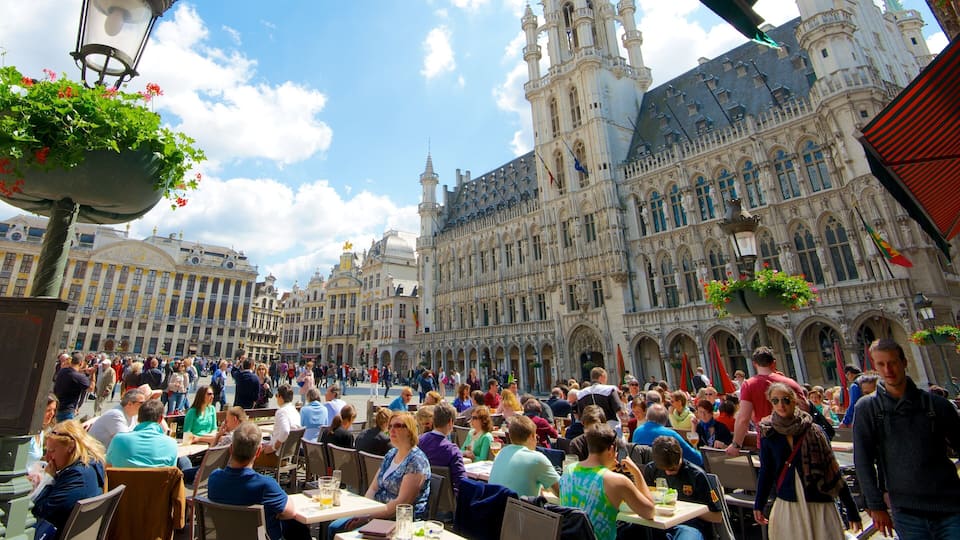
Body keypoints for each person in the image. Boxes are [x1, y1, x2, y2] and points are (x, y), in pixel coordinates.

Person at [853, 338, 960, 539]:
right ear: (875, 367)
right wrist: (876, 505)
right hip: (906, 511)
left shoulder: (936, 405)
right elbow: (863, 460)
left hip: (950, 506)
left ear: (904, 362)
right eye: (881, 364)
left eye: (892, 362)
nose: (888, 370)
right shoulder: (868, 408)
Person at [753, 382, 861, 538]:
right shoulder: (768, 432)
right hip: (788, 503)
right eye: (775, 401)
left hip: (819, 502)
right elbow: (766, 471)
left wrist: (851, 510)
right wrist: (759, 504)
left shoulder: (814, 430)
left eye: (786, 400)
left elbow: (832, 470)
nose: (781, 405)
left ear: (794, 400)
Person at [328, 412, 432, 534]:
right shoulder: (391, 454)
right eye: (390, 426)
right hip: (375, 512)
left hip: (399, 521)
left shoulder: (416, 461)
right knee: (334, 527)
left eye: (397, 426)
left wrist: (368, 517)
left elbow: (401, 503)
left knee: (349, 533)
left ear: (410, 430)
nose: (392, 430)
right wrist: (364, 512)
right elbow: (373, 488)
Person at [207, 421, 311, 540]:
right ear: (258, 452)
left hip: (226, 536)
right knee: (298, 528)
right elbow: (290, 512)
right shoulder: (265, 485)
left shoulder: (214, 478)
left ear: (231, 449)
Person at [560, 425, 655, 540]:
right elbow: (649, 512)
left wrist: (606, 470)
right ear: (611, 449)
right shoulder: (618, 481)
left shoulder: (568, 470)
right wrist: (637, 472)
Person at [726, 346, 807, 456]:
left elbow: (743, 418)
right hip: (796, 441)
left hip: (768, 440)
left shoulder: (749, 385)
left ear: (754, 364)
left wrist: (736, 445)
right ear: (774, 363)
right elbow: (805, 410)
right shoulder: (791, 383)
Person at [639, 436, 723, 540]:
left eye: (673, 469)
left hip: (689, 525)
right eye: (664, 469)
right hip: (658, 523)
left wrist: (687, 511)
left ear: (681, 454)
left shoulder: (696, 475)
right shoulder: (651, 470)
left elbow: (717, 516)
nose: (668, 473)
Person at [32, 420, 107, 534]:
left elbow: (39, 511)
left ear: (70, 447)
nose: (47, 457)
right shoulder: (92, 466)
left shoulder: (78, 476)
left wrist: (48, 478)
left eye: (52, 451)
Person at [488, 415, 560, 497]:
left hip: (494, 503)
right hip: (518, 505)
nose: (536, 441)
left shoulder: (501, 453)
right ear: (531, 436)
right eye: (536, 437)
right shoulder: (537, 459)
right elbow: (563, 492)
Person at [105, 399, 177, 468]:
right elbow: (172, 471)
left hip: (123, 477)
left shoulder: (118, 439)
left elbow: (107, 466)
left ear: (138, 418)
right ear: (161, 419)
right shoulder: (171, 443)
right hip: (157, 477)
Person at [632, 404, 703, 467]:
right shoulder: (670, 435)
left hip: (643, 472)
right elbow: (696, 459)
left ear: (647, 417)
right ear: (665, 420)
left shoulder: (637, 431)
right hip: (666, 473)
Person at [418, 402, 467, 494]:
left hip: (421, 494)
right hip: (445, 498)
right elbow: (462, 484)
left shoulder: (419, 441)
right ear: (451, 422)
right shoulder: (452, 451)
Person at [257, 384, 302, 466]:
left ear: (280, 397)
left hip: (276, 456)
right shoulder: (295, 411)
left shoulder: (281, 412)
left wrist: (273, 447)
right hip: (287, 456)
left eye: (276, 395)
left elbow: (285, 431)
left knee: (248, 456)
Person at [575, 367, 626, 434]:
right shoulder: (609, 390)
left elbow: (580, 417)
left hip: (591, 431)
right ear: (602, 376)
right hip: (610, 428)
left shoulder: (581, 394)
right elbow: (620, 411)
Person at [53, 352, 92, 421]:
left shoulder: (62, 371)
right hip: (67, 410)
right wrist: (93, 374)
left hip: (57, 407)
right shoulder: (79, 377)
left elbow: (73, 371)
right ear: (81, 363)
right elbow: (90, 389)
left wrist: (84, 371)